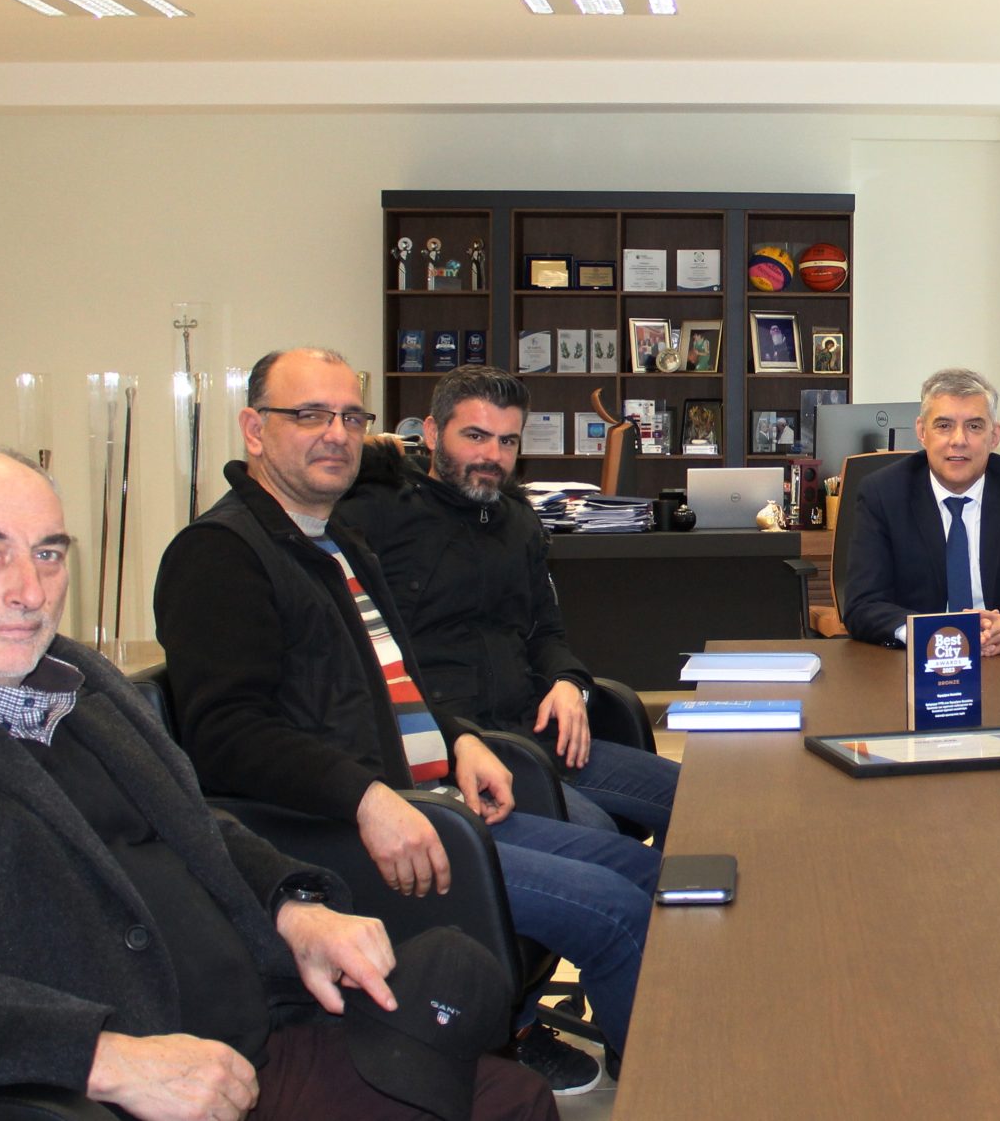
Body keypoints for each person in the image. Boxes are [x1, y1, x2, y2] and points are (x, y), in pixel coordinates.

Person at [0, 444, 551, 1121]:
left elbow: (194, 823)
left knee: (506, 1085)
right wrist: (101, 1057)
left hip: (252, 1026)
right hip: (107, 1088)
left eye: (48, 553)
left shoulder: (74, 675)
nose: (30, 591)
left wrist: (293, 907)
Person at [155, 348, 652, 1093]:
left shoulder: (337, 543)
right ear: (255, 430)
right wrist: (366, 798)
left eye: (350, 417)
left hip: (433, 803)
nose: (336, 434)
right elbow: (224, 737)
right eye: (310, 415)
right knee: (615, 911)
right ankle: (673, 1086)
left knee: (646, 874)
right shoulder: (221, 555)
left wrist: (461, 738)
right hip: (349, 835)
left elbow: (396, 691)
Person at [338, 365, 678, 841]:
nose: (492, 456)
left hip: (533, 734)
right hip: (449, 746)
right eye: (475, 436)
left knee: (702, 797)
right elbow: (359, 664)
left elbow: (546, 633)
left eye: (507, 441)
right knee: (601, 836)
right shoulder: (376, 515)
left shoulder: (518, 522)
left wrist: (568, 682)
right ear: (432, 433)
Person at [840, 366, 1000, 654]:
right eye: (944, 425)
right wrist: (931, 634)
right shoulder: (882, 494)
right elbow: (863, 605)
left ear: (994, 436)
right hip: (919, 660)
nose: (958, 440)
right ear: (922, 432)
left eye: (974, 426)